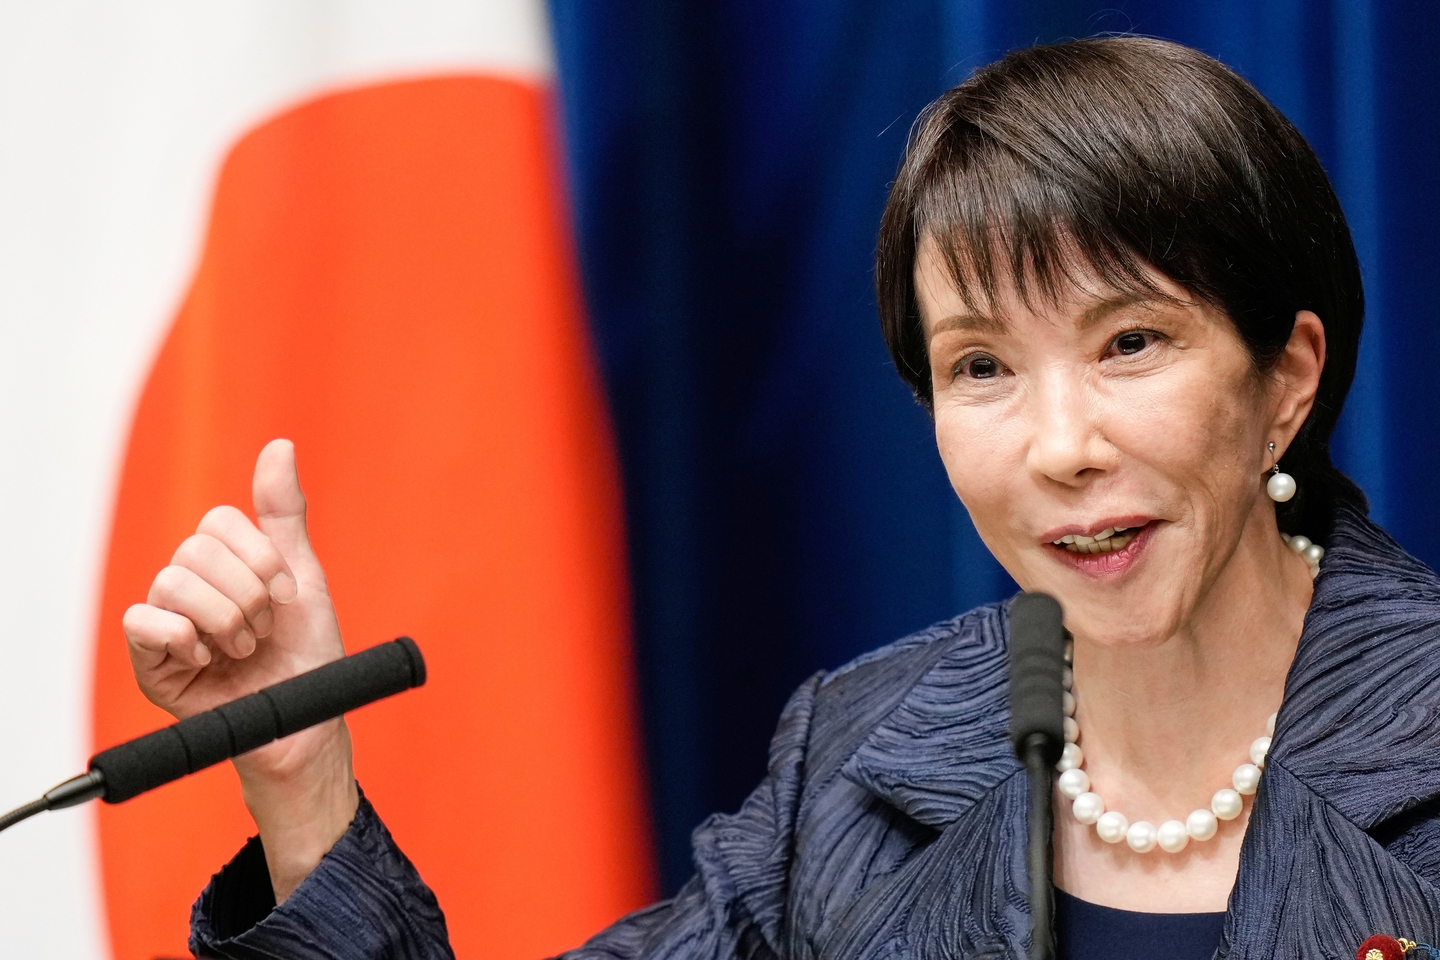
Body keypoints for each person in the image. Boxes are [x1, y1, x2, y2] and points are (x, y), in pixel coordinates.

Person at [123, 36, 1440, 960]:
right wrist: (302, 783)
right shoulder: (864, 761)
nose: (1060, 446)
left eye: (1130, 344)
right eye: (980, 366)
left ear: (1286, 378)